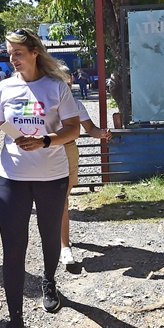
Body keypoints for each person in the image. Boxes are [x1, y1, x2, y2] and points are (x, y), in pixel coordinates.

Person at [0, 27, 80, 328]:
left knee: (49, 237)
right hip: (12, 176)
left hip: (52, 176)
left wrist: (45, 140)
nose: (12, 58)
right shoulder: (4, 87)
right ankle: (15, 324)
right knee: (13, 247)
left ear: (34, 52)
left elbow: (73, 129)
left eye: (18, 53)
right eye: (9, 53)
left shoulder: (56, 86)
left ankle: (49, 281)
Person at [60, 98, 112, 264]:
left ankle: (63, 244)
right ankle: (62, 244)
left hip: (68, 148)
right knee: (56, 200)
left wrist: (102, 133)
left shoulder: (75, 104)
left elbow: (90, 129)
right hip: (46, 150)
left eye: (67, 85)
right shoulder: (44, 98)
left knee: (62, 199)